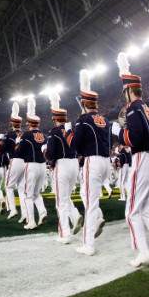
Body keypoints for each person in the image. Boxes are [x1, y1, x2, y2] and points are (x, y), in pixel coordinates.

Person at [112, 52, 149, 267]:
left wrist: (118, 132)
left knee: (131, 211)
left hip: (141, 161)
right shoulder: (146, 108)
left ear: (128, 90)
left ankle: (143, 251)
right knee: (147, 209)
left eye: (124, 91)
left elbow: (133, 138)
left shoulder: (133, 108)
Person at [64, 69, 111, 256]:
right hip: (106, 161)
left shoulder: (83, 120)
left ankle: (88, 244)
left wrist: (68, 133)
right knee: (86, 193)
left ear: (84, 103)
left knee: (90, 202)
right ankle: (98, 217)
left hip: (93, 160)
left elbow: (76, 146)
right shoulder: (105, 120)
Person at [47, 91, 82, 243]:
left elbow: (51, 153)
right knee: (65, 196)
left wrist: (49, 159)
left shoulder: (54, 132)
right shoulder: (70, 130)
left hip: (62, 164)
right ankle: (75, 215)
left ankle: (64, 234)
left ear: (55, 118)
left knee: (60, 200)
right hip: (74, 163)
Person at [16, 98, 47, 229]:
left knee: (28, 195)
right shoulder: (44, 135)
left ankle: (31, 222)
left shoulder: (26, 135)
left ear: (29, 123)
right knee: (36, 194)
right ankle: (42, 211)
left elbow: (19, 153)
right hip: (43, 166)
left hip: (32, 165)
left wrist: (18, 143)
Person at [0, 103, 24, 220]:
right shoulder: (25, 134)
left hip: (15, 161)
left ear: (12, 124)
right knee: (22, 188)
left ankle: (12, 209)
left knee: (9, 187)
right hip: (26, 162)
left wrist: (0, 141)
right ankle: (25, 213)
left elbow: (1, 150)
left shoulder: (9, 135)